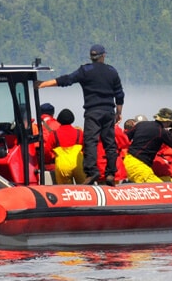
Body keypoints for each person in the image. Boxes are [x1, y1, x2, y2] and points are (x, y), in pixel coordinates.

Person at [38, 44, 124, 186]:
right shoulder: (112, 71)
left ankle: (92, 172)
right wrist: (118, 112)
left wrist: (44, 84)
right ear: (103, 56)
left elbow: (66, 80)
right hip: (108, 111)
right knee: (110, 143)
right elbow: (119, 94)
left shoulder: (85, 70)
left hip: (93, 112)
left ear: (92, 57)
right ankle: (110, 174)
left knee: (91, 141)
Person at [124, 108, 172, 183]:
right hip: (138, 167)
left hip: (128, 160)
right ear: (168, 122)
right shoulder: (161, 131)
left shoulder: (141, 124)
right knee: (160, 187)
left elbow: (124, 139)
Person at [49, 109, 85, 184]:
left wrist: (52, 157)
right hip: (78, 164)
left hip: (62, 166)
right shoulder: (79, 133)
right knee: (84, 189)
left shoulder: (54, 134)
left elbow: (46, 151)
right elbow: (86, 148)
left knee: (65, 191)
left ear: (59, 119)